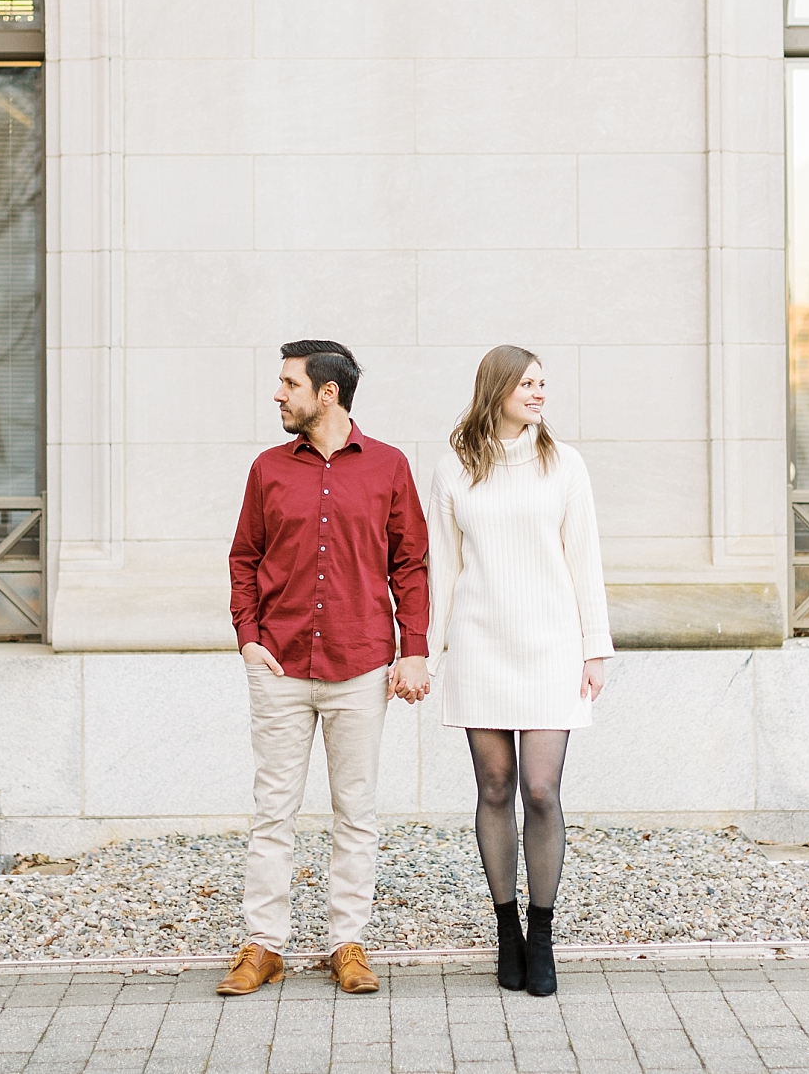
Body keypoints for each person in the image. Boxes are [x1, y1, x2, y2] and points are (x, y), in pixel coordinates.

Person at [219, 340, 431, 997]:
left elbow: (411, 564)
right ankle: (264, 945)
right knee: (272, 812)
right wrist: (248, 637)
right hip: (279, 663)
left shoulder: (390, 467)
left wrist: (414, 648)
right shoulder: (267, 469)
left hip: (362, 664)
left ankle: (347, 943)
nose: (278, 394)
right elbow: (244, 558)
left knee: (356, 813)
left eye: (289, 383)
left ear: (327, 393)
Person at [413, 345, 612, 996]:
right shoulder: (453, 469)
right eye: (527, 383)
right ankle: (507, 932)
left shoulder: (565, 465)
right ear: (496, 389)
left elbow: (584, 558)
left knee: (542, 791)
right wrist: (422, 650)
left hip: (551, 648)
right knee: (494, 789)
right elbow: (440, 570)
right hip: (481, 646)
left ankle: (543, 931)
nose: (539, 393)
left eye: (543, 384)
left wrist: (594, 647)